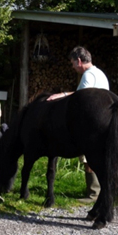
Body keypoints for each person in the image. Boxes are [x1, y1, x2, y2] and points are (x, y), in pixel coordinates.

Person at [47, 46, 109, 203]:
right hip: (103, 118)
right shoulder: (100, 73)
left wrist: (63, 94)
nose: (73, 67)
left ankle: (93, 193)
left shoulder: (88, 75)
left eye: (73, 63)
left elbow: (80, 97)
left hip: (90, 122)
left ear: (79, 61)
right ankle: (96, 191)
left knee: (88, 158)